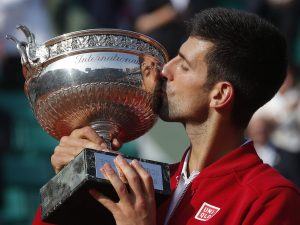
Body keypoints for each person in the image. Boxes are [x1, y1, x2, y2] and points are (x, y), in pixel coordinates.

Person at [32, 7, 300, 225]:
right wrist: (69, 183)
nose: (164, 71)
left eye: (183, 65)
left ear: (220, 95)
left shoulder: (269, 199)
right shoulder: (142, 183)